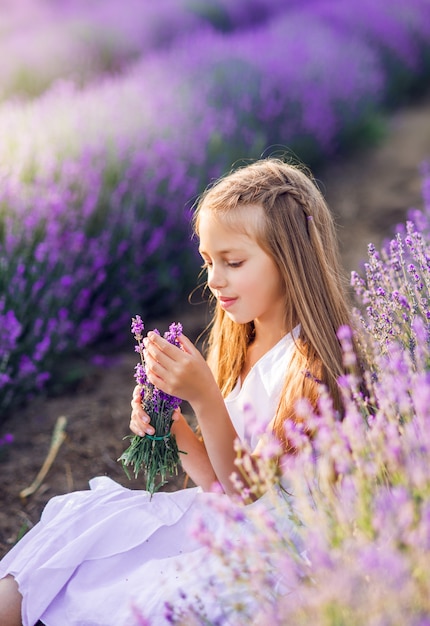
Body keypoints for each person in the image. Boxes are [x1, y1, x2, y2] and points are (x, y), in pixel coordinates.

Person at [0, 157, 359, 625]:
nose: (214, 279)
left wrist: (205, 398)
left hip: (269, 551)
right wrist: (169, 427)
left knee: (155, 596)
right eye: (208, 261)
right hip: (222, 518)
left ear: (292, 260)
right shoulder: (244, 341)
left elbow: (248, 494)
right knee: (83, 525)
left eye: (233, 262)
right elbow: (216, 483)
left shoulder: (311, 366)